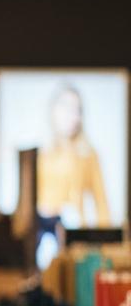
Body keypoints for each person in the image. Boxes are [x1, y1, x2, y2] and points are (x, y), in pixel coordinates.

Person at [37, 83, 111, 227]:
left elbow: (101, 203)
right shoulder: (43, 155)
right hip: (47, 231)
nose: (71, 115)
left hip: (77, 232)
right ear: (53, 110)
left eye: (76, 110)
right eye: (66, 107)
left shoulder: (88, 154)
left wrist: (105, 238)